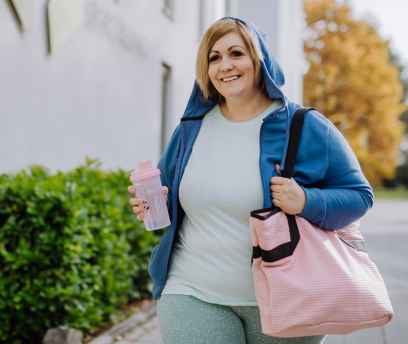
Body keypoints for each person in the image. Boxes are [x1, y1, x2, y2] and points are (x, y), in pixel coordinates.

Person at [127, 18, 373, 344]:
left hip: (288, 298)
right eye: (214, 58)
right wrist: (150, 204)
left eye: (236, 53)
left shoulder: (307, 126)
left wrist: (306, 201)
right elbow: (169, 198)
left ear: (259, 59)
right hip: (192, 291)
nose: (225, 65)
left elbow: (360, 195)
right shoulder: (190, 130)